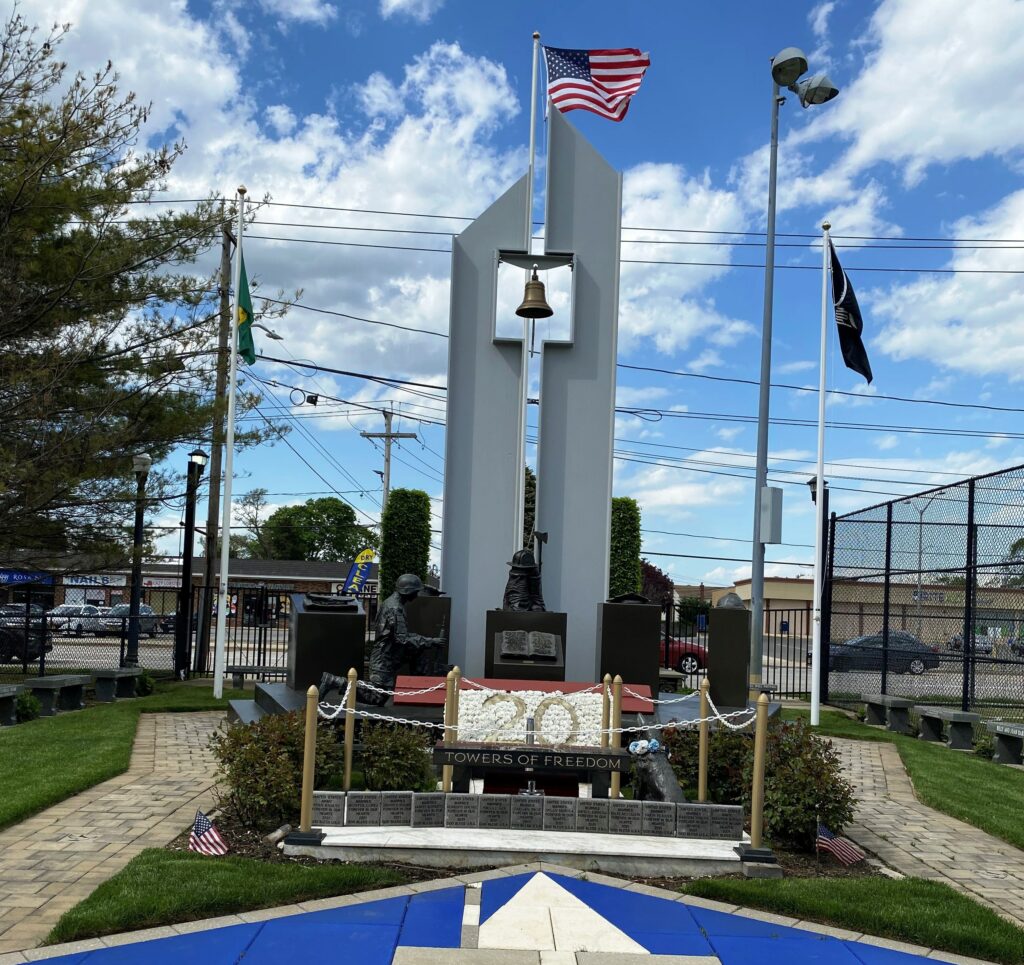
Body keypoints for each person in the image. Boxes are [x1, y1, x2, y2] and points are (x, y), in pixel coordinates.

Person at [320, 573, 447, 706]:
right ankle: (335, 681)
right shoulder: (395, 608)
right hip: (384, 657)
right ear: (407, 592)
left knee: (418, 650)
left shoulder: (393, 602)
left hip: (391, 654)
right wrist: (430, 641)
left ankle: (422, 689)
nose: (416, 595)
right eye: (415, 592)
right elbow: (402, 639)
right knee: (377, 698)